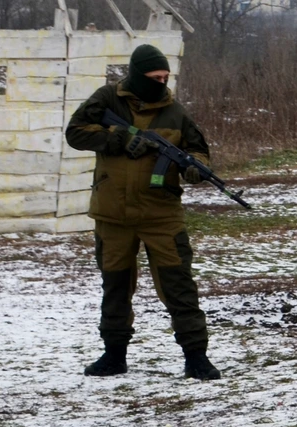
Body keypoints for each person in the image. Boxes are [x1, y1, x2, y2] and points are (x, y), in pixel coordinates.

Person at [65, 44, 221, 380]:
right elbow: (75, 132)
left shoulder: (175, 113)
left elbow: (198, 151)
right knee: (116, 287)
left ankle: (196, 357)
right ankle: (113, 355)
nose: (161, 82)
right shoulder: (107, 99)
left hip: (161, 215)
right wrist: (117, 139)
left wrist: (196, 169)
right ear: (138, 76)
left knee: (179, 286)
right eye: (154, 77)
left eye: (165, 77)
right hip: (113, 215)